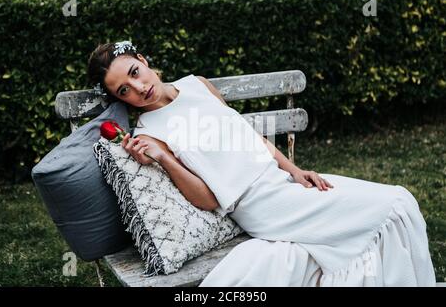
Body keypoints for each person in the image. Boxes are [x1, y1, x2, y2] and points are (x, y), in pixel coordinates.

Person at [87, 41, 436, 286]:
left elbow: (249, 137)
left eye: (134, 72)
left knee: (393, 207)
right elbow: (209, 200)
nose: (137, 87)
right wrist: (162, 157)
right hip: (259, 205)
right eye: (123, 91)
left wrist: (294, 170)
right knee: (393, 206)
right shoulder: (152, 132)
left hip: (281, 183)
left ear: (144, 61)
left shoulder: (198, 85)